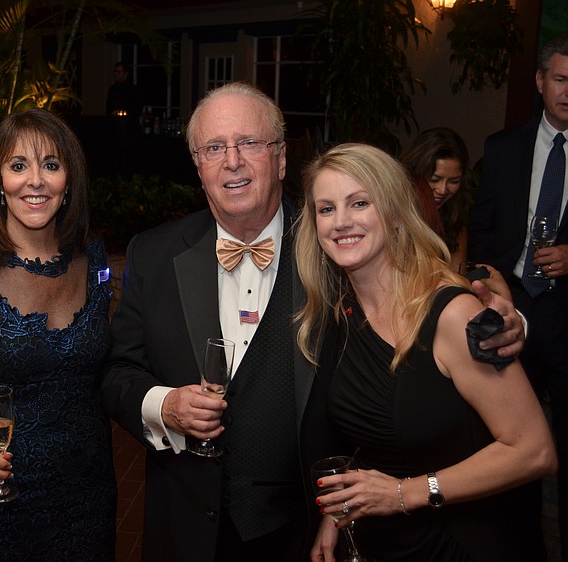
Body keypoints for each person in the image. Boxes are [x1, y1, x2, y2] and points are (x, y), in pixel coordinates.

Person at [100, 81, 526, 562]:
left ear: (280, 158)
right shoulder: (153, 253)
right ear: (198, 165)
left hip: (304, 527)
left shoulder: (335, 237)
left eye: (250, 144)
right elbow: (117, 372)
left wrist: (506, 314)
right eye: (214, 147)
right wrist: (164, 405)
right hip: (183, 526)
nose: (232, 161)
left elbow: (427, 285)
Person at [294, 142, 557, 562]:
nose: (341, 222)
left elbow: (534, 451)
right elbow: (377, 428)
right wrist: (339, 510)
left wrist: (404, 493)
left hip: (461, 541)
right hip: (387, 538)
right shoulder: (341, 312)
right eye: (326, 209)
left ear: (395, 211)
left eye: (359, 203)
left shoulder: (453, 313)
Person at [0, 108, 116, 561]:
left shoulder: (93, 257)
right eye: (19, 166)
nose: (35, 180)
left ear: (68, 180)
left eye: (51, 165)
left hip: (85, 492)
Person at [468, 33, 568, 561]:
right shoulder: (503, 148)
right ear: (540, 81)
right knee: (511, 447)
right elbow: (481, 231)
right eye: (561, 79)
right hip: (514, 316)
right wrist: (495, 290)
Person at [400, 126, 472, 274]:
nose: (442, 190)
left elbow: (457, 279)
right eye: (434, 179)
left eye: (454, 181)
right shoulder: (390, 214)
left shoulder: (453, 221)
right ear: (414, 175)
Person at [105, 61, 143, 175]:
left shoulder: (133, 90)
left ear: (126, 73)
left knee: (128, 161)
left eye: (119, 72)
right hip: (114, 132)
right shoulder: (112, 89)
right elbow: (108, 109)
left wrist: (123, 113)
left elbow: (136, 109)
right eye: (115, 72)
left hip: (129, 132)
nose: (116, 74)